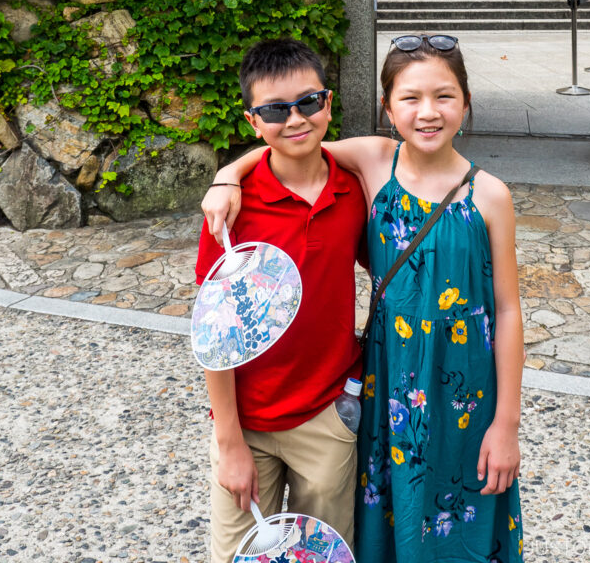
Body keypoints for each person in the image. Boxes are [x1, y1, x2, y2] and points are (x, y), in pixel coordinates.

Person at [204, 33, 525, 562]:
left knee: (461, 510)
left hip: (465, 387)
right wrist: (229, 174)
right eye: (410, 98)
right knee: (387, 515)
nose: (428, 112)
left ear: (466, 102)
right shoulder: (376, 162)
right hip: (387, 383)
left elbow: (509, 310)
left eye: (444, 96)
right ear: (387, 107)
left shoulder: (490, 195)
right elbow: (290, 142)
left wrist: (507, 423)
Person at [195, 38, 367, 563]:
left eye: (308, 103)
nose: (295, 119)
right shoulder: (230, 216)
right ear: (253, 121)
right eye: (274, 110)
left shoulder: (354, 192)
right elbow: (214, 338)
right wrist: (229, 444)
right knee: (235, 553)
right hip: (248, 416)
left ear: (329, 103)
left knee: (328, 553)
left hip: (325, 413)